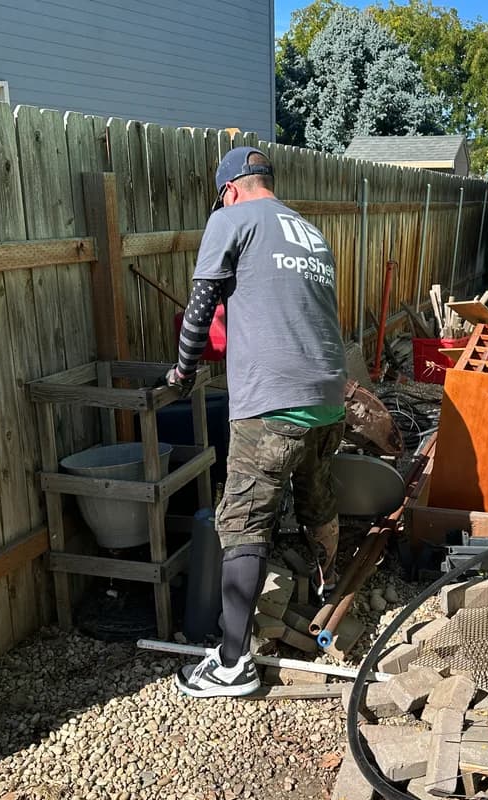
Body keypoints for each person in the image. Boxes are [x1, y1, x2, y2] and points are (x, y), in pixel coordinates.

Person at [165, 146, 347, 698]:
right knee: (315, 495)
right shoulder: (309, 231)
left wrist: (180, 371)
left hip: (271, 400)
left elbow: (200, 308)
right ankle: (326, 588)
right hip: (328, 396)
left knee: (242, 518)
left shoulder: (230, 219)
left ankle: (230, 663)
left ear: (230, 189)